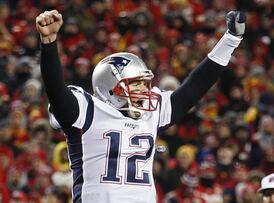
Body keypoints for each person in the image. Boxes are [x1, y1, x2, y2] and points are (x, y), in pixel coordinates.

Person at [35, 9, 246, 203]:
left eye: (144, 84)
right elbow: (55, 88)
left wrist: (230, 40)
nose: (144, 90)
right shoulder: (87, 111)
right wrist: (49, 42)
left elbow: (195, 87)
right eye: (136, 84)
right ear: (110, 86)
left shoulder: (150, 114)